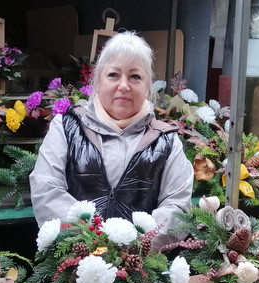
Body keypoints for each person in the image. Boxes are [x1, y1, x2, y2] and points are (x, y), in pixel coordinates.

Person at [29, 31, 193, 250]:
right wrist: (91, 243)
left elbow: (177, 206)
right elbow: (46, 188)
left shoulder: (166, 140)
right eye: (114, 74)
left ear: (147, 87)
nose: (124, 85)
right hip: (76, 266)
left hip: (142, 268)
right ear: (97, 81)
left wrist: (133, 248)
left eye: (135, 76)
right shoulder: (66, 127)